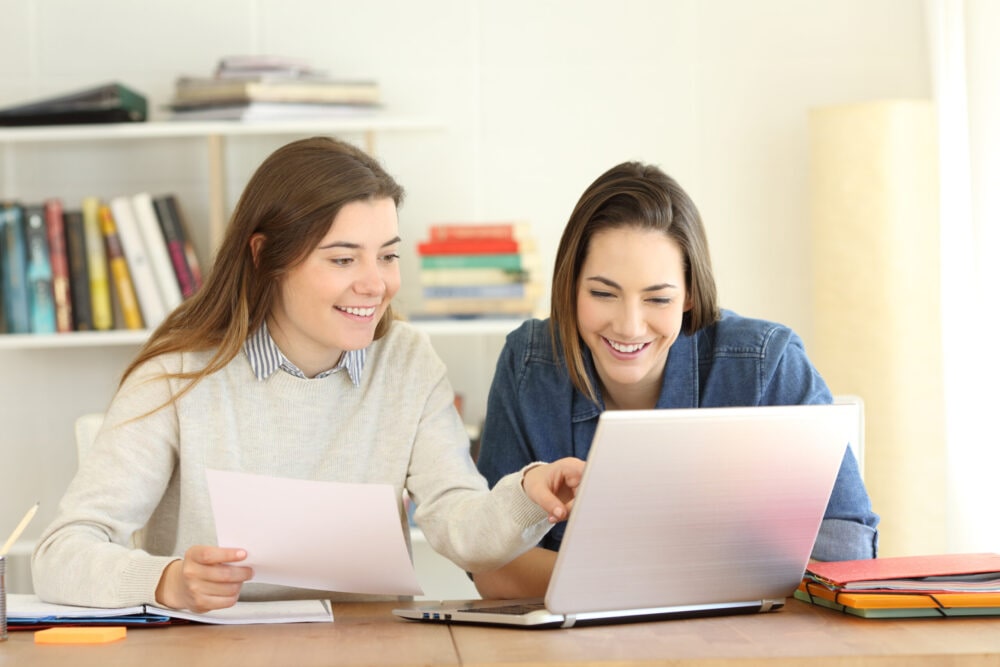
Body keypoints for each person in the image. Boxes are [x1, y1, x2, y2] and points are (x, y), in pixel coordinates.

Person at [31, 136, 583, 613]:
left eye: (387, 256)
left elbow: (460, 527)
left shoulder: (407, 360)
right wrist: (168, 581)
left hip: (364, 647)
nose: (376, 285)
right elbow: (62, 552)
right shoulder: (178, 376)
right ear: (265, 255)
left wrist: (529, 496)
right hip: (210, 651)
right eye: (343, 260)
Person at [473, 161, 879, 599]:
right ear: (570, 287)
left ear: (689, 295)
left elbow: (847, 551)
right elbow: (491, 563)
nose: (629, 327)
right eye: (603, 293)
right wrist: (691, 576)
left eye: (658, 298)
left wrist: (615, 579)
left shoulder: (766, 365)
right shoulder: (530, 364)